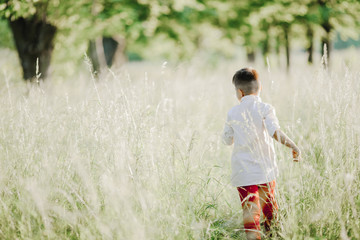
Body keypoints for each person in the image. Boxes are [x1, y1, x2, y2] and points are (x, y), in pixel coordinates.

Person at [222, 68, 301, 240]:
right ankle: (274, 235)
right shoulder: (266, 109)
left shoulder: (233, 113)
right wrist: (293, 145)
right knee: (270, 208)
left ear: (239, 92)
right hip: (265, 171)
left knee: (251, 214)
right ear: (260, 88)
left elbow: (227, 140)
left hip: (244, 173)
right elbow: (275, 132)